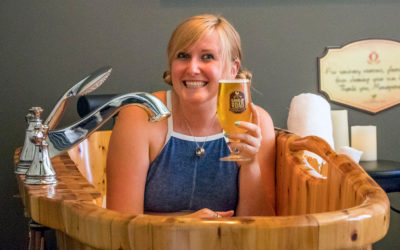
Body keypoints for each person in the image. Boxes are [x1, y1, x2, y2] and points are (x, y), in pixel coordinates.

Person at [106, 14, 276, 218]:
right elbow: (120, 225)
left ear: (233, 69)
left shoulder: (255, 123)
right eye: (183, 56)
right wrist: (180, 227)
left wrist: (250, 165)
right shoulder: (140, 116)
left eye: (207, 57)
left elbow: (260, 230)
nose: (192, 68)